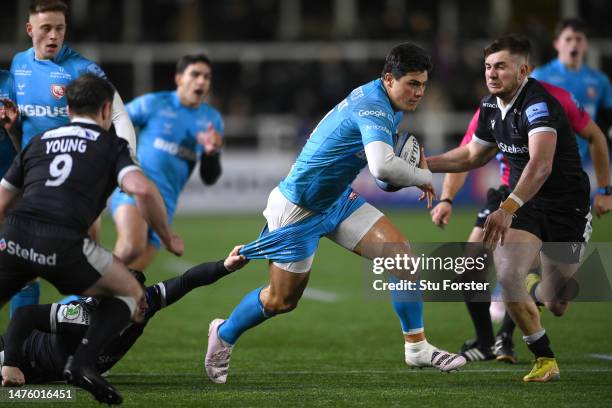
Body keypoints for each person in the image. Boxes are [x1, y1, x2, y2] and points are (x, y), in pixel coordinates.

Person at [204, 43, 466, 385]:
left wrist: (401, 172)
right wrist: (422, 176)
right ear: (389, 79)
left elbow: (383, 172)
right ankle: (223, 332)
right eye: (412, 84)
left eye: (423, 85)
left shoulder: (388, 103)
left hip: (337, 200)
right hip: (298, 208)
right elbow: (383, 169)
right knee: (282, 300)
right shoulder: (373, 106)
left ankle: (416, 346)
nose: (418, 92)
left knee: (402, 257)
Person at [0, 74, 183, 404]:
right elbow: (141, 188)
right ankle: (83, 364)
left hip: (15, 237)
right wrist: (167, 237)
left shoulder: (40, 140)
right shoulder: (112, 145)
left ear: (68, 109)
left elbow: (3, 200)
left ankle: (19, 360)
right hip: (64, 244)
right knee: (131, 295)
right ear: (105, 110)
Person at [427, 35, 592, 382]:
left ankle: (535, 284)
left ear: (524, 70)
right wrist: (422, 166)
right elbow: (472, 154)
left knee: (557, 303)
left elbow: (541, 165)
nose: (492, 73)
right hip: (526, 203)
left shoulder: (538, 105)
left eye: (501, 66)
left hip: (567, 207)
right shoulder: (490, 107)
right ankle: (545, 359)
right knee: (505, 273)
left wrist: (507, 207)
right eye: (488, 66)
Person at [9, 0, 137, 315]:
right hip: (31, 179)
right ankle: (18, 352)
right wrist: (12, 128)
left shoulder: (82, 69)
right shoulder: (18, 65)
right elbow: (21, 129)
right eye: (46, 29)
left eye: (60, 28)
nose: (54, 36)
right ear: (30, 30)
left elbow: (120, 117)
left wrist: (127, 167)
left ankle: (76, 341)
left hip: (76, 185)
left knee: (83, 274)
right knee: (22, 273)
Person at [0, 246, 247, 386]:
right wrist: (10, 364)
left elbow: (186, 281)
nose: (141, 305)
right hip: (21, 358)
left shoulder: (146, 302)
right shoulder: (84, 316)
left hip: (47, 376)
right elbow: (24, 316)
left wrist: (225, 265)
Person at [110, 53, 223, 270]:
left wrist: (211, 153)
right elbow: (114, 120)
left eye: (207, 77)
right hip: (136, 190)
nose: (202, 81)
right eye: (195, 74)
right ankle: (72, 301)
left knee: (130, 278)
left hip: (165, 205)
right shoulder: (154, 103)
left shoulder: (211, 120)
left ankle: (79, 302)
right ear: (179, 78)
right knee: (131, 247)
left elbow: (210, 178)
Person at [532, 18, 612, 161]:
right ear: (557, 43)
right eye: (568, 39)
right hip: (549, 161)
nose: (574, 43)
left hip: (586, 161)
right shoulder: (539, 77)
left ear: (586, 44)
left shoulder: (600, 81)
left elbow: (607, 119)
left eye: (579, 39)